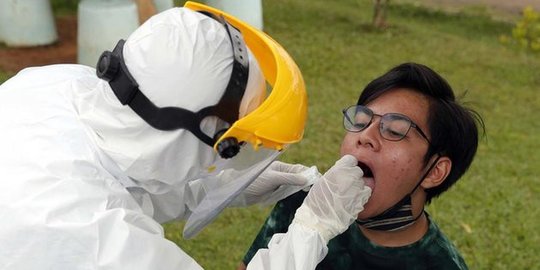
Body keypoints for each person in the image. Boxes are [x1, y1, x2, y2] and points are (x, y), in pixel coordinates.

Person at [0, 3, 370, 269]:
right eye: (231, 144)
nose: (229, 153)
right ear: (195, 132)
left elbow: (122, 170)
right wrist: (313, 228)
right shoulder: (86, 234)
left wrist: (215, 189)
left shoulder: (59, 84)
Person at [240, 62, 484, 270]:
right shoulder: (309, 206)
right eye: (360, 122)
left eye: (395, 131)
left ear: (434, 171)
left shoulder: (440, 265)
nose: (364, 135)